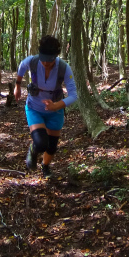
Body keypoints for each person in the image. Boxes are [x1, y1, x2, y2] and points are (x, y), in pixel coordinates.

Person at [14, 35, 78, 178]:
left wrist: (57, 106)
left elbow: (74, 95)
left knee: (52, 145)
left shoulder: (64, 68)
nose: (45, 63)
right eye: (43, 59)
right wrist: (17, 85)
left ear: (56, 56)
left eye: (49, 60)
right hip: (34, 107)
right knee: (41, 142)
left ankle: (45, 166)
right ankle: (33, 150)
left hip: (55, 110)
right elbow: (22, 66)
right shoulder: (33, 61)